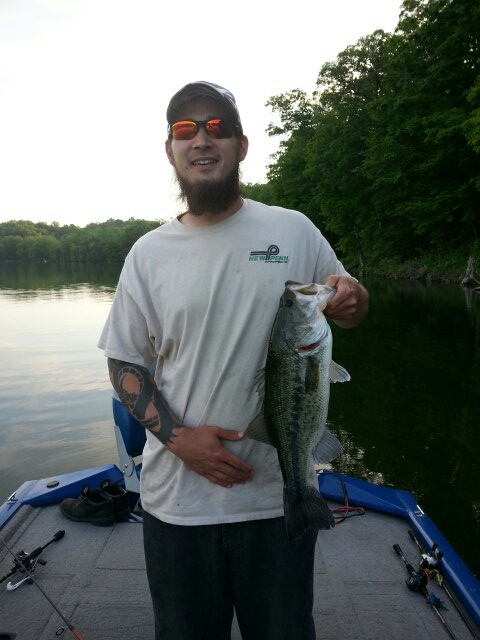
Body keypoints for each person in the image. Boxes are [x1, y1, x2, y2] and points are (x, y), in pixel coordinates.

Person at [98, 80, 369, 640]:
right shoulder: (147, 254)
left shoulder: (292, 229)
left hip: (276, 501)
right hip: (178, 506)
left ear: (241, 146)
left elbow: (350, 304)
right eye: (185, 129)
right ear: (170, 150)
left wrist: (352, 296)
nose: (201, 139)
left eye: (217, 127)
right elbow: (124, 368)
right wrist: (180, 440)